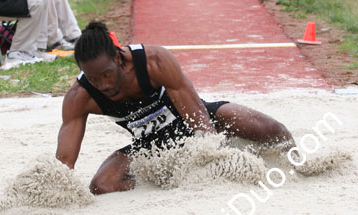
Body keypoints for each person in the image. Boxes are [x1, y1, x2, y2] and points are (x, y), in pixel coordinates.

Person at [56, 21, 297, 195]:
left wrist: (213, 151)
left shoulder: (154, 61)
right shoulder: (81, 96)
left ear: (118, 59)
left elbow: (200, 119)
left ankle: (297, 163)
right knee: (101, 185)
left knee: (273, 129)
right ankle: (159, 181)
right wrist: (57, 189)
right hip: (150, 147)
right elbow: (64, 165)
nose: (103, 84)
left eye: (107, 75)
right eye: (94, 79)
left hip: (190, 121)